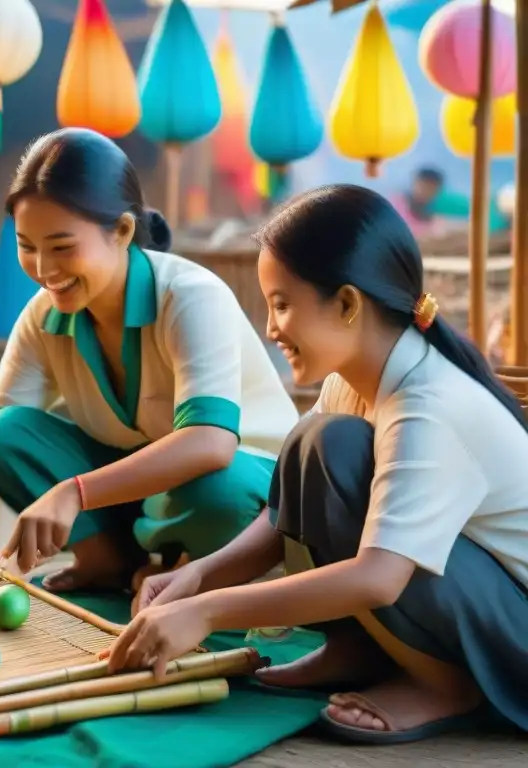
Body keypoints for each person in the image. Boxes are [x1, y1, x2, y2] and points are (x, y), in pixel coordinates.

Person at [104, 183, 528, 744]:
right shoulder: (351, 382)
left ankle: (448, 684)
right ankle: (357, 649)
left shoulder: (426, 405)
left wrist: (206, 613)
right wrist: (197, 576)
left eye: (282, 304)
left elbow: (379, 577)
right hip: (471, 607)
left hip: (515, 638)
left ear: (348, 304)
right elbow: (282, 518)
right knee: (316, 445)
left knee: (333, 449)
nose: (271, 328)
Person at [0, 127, 300, 593]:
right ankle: (109, 562)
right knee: (6, 435)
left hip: (250, 491)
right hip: (148, 493)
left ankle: (197, 573)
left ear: (122, 232)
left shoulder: (190, 296)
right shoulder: (43, 316)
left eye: (62, 247)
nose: (44, 269)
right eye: (27, 246)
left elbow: (209, 443)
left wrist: (74, 492)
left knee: (215, 490)